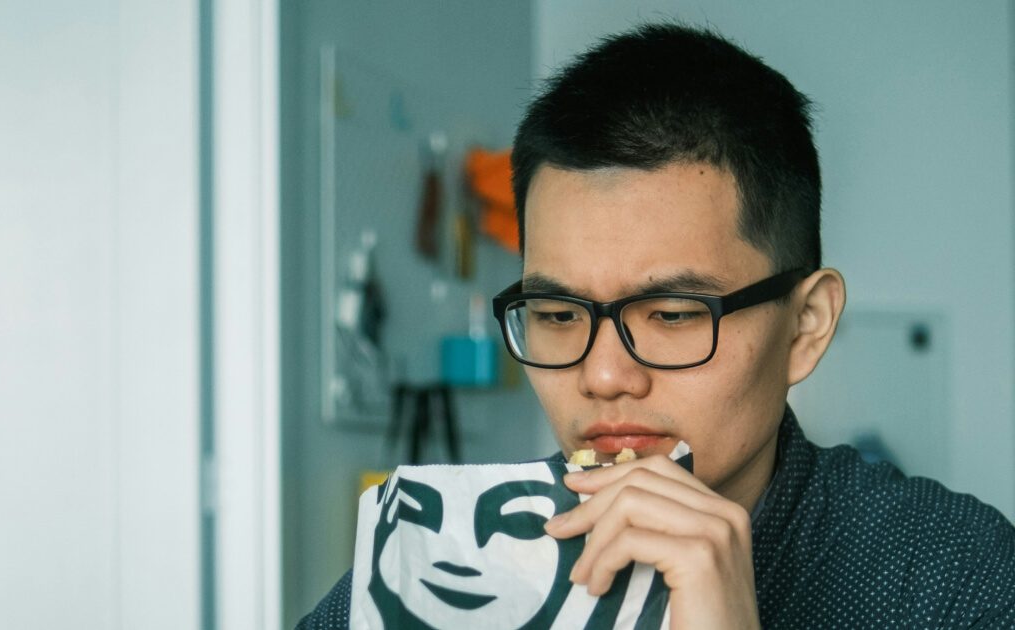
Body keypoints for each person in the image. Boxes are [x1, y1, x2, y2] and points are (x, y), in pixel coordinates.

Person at [298, 23, 1015, 629]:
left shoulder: (953, 576)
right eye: (558, 315)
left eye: (672, 315)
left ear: (805, 327)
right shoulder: (433, 558)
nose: (603, 376)